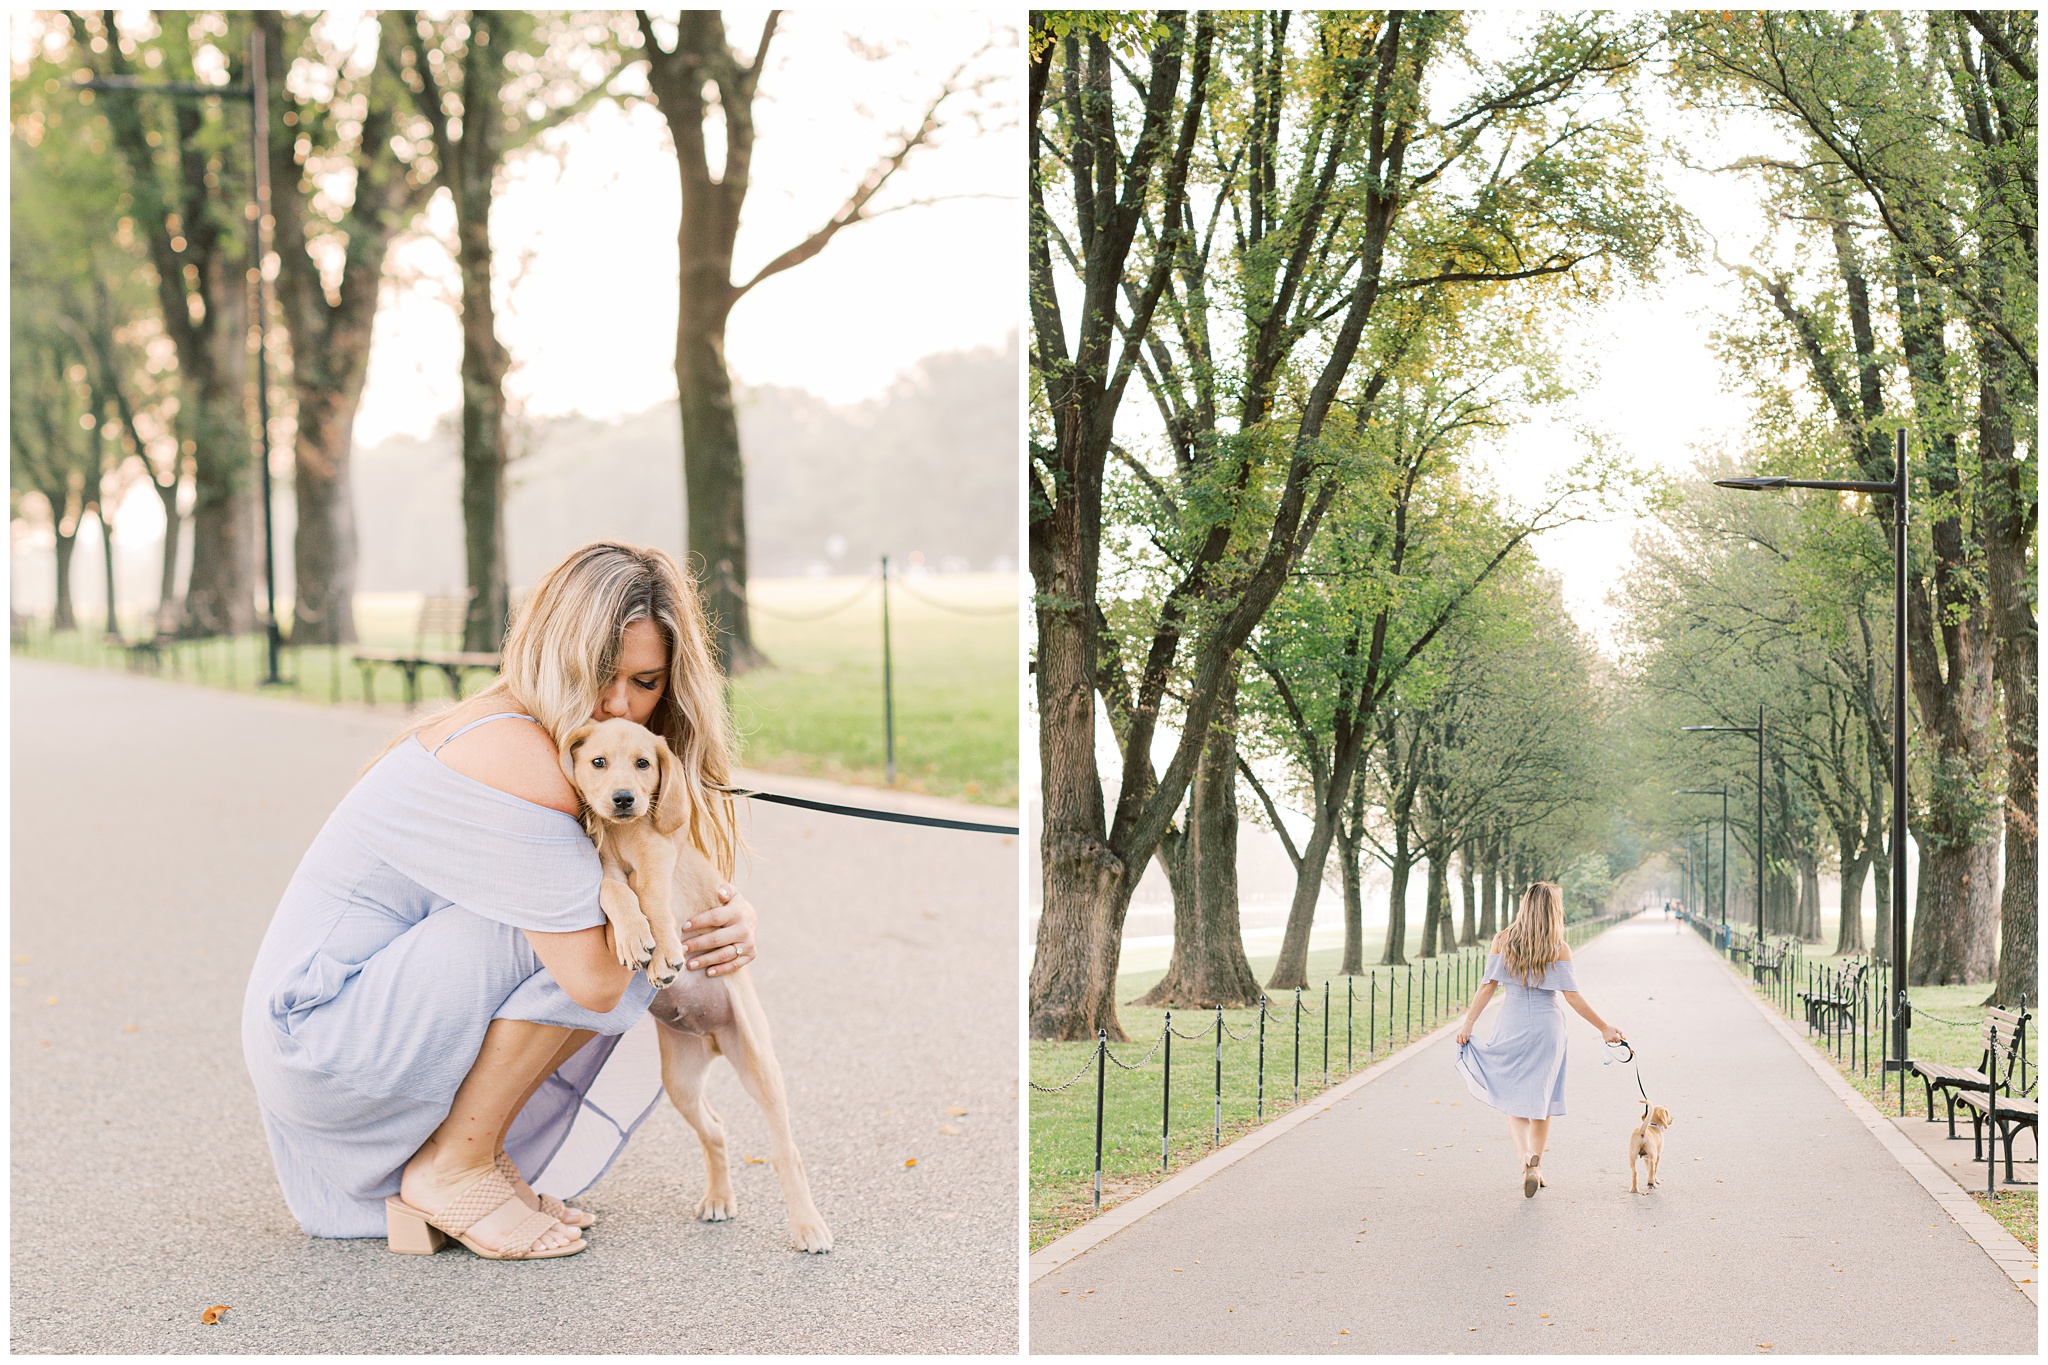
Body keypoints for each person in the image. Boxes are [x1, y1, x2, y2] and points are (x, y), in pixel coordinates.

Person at [242, 542, 757, 1259]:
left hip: (338, 1028)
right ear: (554, 652)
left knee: (604, 911)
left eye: (644, 681)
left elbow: (648, 876)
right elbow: (598, 978)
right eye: (598, 675)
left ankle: (464, 1158)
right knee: (603, 934)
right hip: (322, 1032)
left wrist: (717, 917)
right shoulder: (522, 755)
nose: (618, 703)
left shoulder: (555, 742)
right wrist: (668, 915)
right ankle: (453, 1165)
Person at [1452, 881, 1624, 1198]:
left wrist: (1469, 1024)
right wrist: (1604, 1027)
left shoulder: (1503, 940)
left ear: (1525, 906)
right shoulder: (1559, 947)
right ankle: (1537, 1164)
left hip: (1512, 1022)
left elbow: (1487, 986)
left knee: (1511, 1094)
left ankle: (1523, 1159)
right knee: (1541, 1101)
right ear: (1553, 910)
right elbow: (1572, 996)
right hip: (1549, 1027)